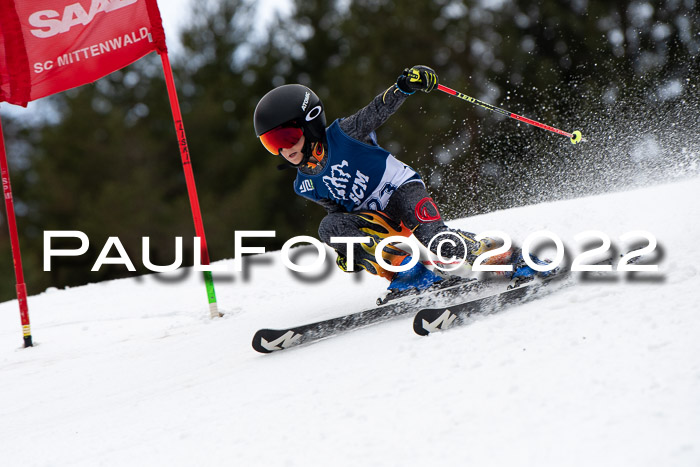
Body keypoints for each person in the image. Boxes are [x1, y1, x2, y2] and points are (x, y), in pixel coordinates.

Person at [253, 66, 546, 299]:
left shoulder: (345, 133)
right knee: (328, 227)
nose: (284, 149)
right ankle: (412, 275)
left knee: (438, 241)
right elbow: (338, 214)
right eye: (272, 143)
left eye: (287, 138)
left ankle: (513, 258)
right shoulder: (304, 184)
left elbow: (376, 111)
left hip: (401, 190)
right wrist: (348, 249)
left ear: (310, 123)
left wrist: (404, 86)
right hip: (379, 218)